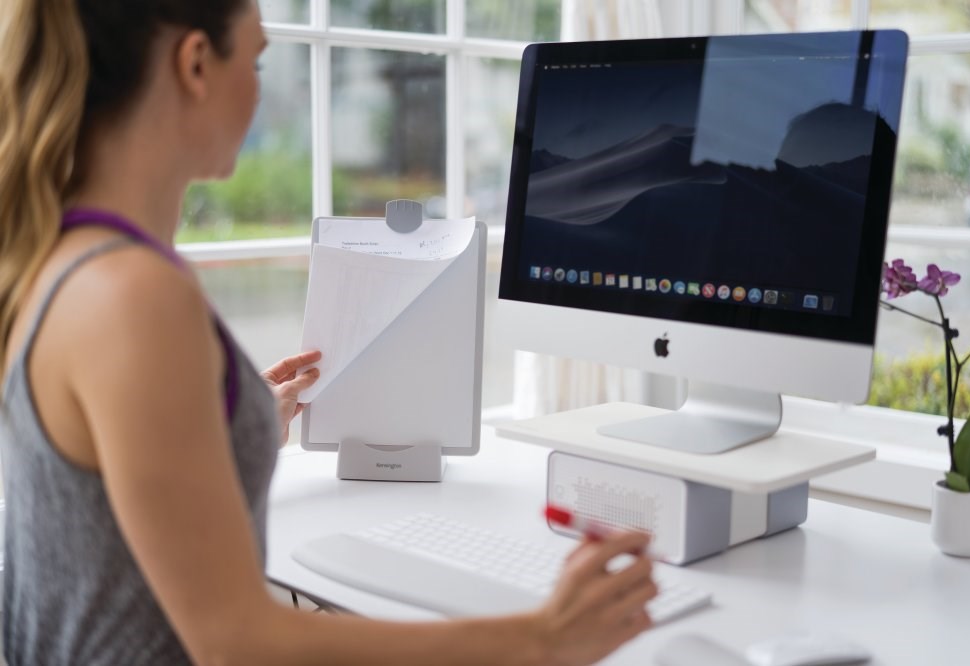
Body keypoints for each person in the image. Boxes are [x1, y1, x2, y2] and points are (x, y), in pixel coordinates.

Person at [0, 1, 657, 664]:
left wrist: (231, 423)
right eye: (255, 60)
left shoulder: (58, 259)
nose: (259, 85)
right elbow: (241, 643)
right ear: (196, 64)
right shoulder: (132, 296)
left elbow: (98, 515)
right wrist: (541, 638)